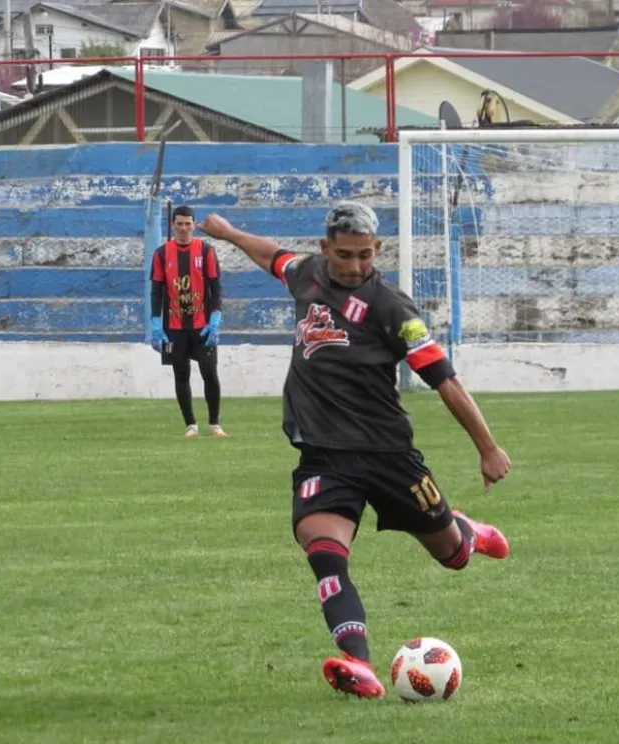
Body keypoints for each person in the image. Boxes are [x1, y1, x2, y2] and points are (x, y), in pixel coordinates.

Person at [197, 201, 512, 699]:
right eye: (345, 255)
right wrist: (231, 233)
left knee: (452, 559)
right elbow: (271, 256)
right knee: (324, 552)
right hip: (323, 455)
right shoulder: (306, 275)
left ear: (377, 249)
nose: (356, 265)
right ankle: (357, 663)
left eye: (366, 254)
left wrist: (488, 448)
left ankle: (465, 531)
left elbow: (444, 380)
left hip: (389, 455)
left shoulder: (392, 308)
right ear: (326, 249)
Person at [150, 205, 228, 438]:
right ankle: (191, 425)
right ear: (173, 225)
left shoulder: (206, 251)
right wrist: (156, 323)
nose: (183, 228)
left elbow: (216, 287)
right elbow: (156, 290)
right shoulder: (162, 253)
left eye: (188, 224)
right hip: (174, 326)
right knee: (181, 374)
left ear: (195, 225)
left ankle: (214, 424)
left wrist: (215, 318)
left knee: (209, 372)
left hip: (202, 325)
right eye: (179, 223)